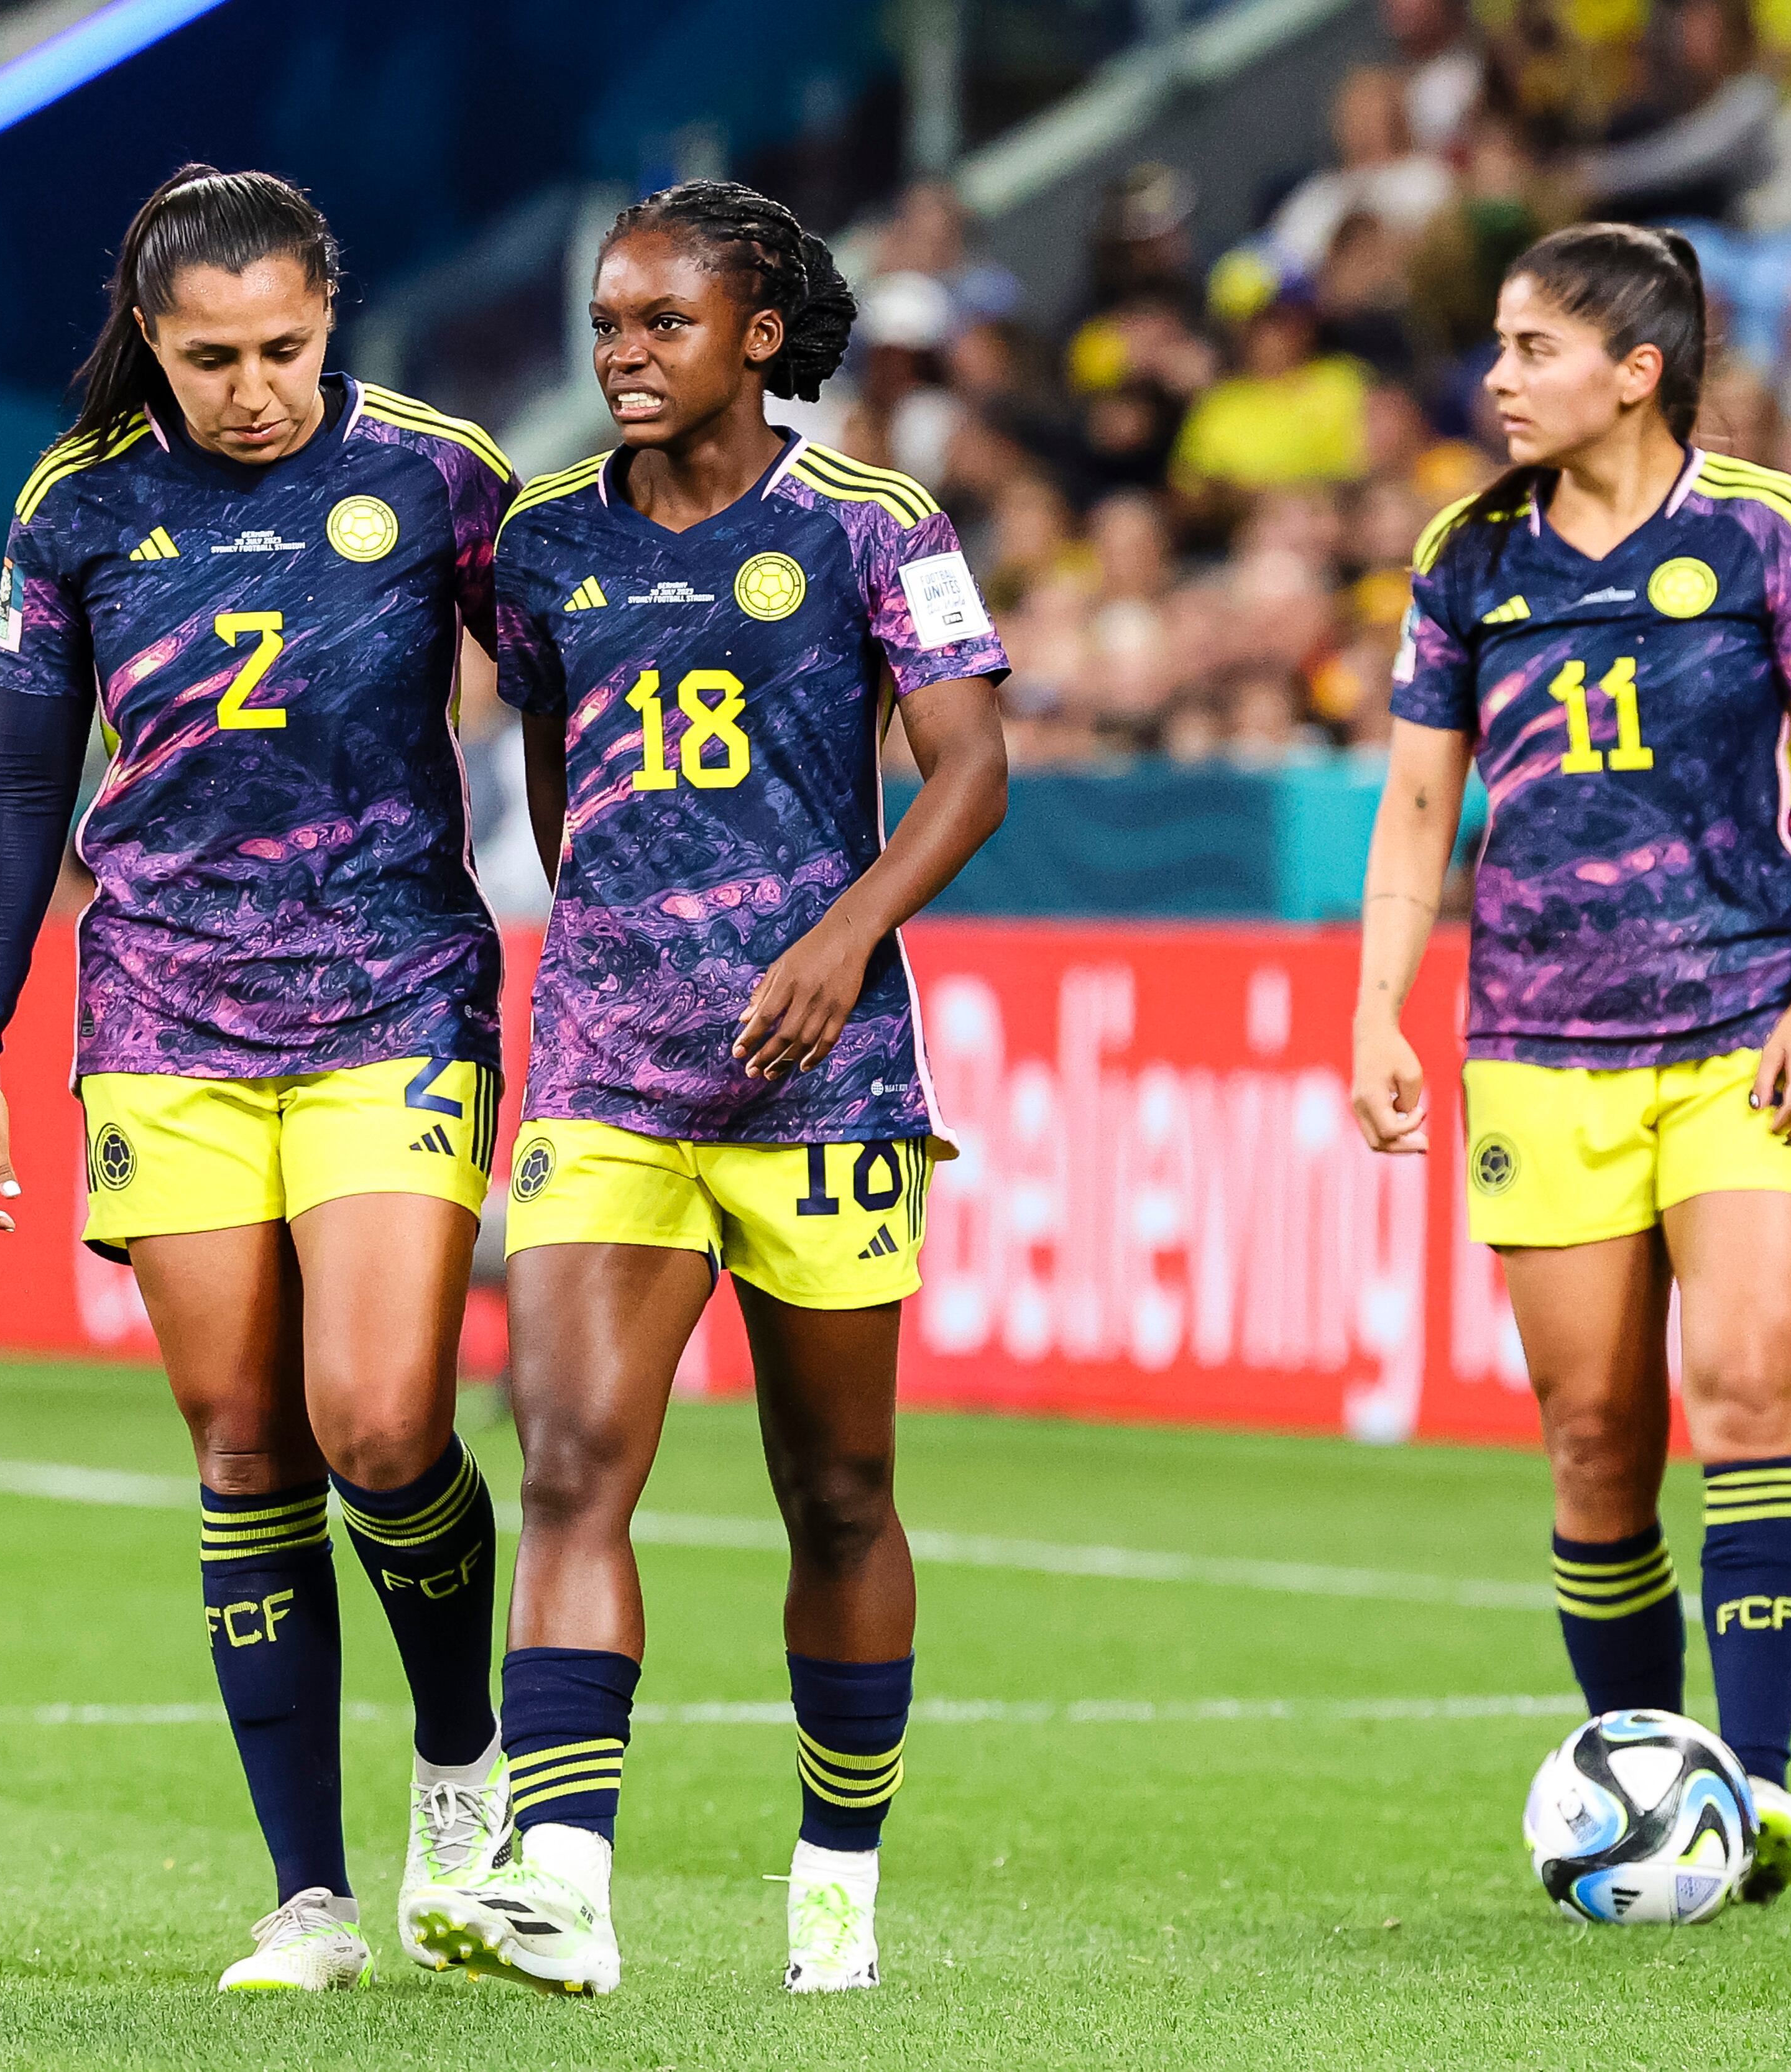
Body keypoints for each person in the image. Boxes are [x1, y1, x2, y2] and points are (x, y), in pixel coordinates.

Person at [407, 180, 1010, 1998]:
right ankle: (566, 1886)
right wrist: (615, 945)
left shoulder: (868, 523)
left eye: (664, 323)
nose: (624, 356)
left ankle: (836, 1882)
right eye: (606, 324)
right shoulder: (546, 542)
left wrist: (843, 935)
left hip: (826, 1087)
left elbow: (973, 769)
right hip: (609, 1074)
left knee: (837, 1495)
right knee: (574, 1462)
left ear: (760, 337)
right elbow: (555, 774)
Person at [0, 165, 518, 1995]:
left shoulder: (439, 474)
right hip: (166, 1019)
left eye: (281, 348)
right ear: (152, 340)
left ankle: (460, 1759)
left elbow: (575, 701)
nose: (251, 386)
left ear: (331, 317)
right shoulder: (80, 502)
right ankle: (308, 1903)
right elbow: (26, 792)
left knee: (380, 1421)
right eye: (209, 358)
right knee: (245, 1446)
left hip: (394, 999)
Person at [1350, 224, 1791, 1907]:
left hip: (1745, 1029)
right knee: (1596, 1437)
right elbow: (1424, 804)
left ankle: (1767, 1792)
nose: (1496, 378)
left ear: (1635, 369)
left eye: (1531, 347)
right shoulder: (1467, 555)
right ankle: (1654, 1792)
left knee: (1744, 1387)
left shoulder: (1770, 530)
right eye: (1497, 347)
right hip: (1538, 1046)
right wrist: (1378, 1005)